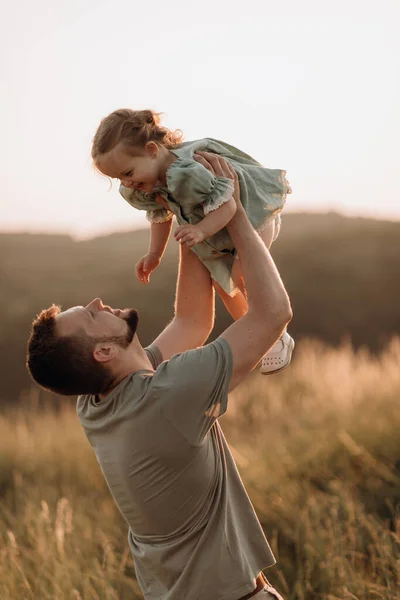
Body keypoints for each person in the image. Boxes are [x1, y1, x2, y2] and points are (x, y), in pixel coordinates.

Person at [26, 154, 292, 600]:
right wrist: (237, 214)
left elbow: (191, 321)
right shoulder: (167, 395)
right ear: (104, 350)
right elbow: (274, 314)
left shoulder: (97, 402)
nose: (95, 302)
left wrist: (187, 211)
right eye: (90, 316)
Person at [91, 108, 294, 375]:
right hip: (216, 231)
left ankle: (276, 332)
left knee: (238, 272)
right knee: (226, 286)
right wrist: (155, 254)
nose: (128, 183)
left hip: (253, 216)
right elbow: (161, 214)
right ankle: (263, 336)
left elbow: (228, 206)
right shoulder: (149, 180)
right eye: (119, 178)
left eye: (128, 172)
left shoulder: (189, 171)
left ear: (152, 150)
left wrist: (199, 230)